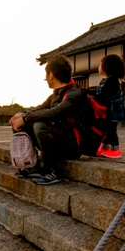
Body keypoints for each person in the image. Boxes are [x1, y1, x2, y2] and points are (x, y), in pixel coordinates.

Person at [9, 54, 91, 185]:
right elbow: (39, 109)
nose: (46, 79)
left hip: (73, 147)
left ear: (51, 75)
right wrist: (21, 115)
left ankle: (51, 170)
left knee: (40, 125)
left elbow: (55, 113)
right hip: (60, 141)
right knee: (21, 124)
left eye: (46, 76)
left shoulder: (75, 94)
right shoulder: (55, 95)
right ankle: (34, 164)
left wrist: (26, 117)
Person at [92, 54, 125, 158]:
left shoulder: (113, 80)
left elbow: (105, 94)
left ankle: (115, 149)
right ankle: (105, 147)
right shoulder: (105, 80)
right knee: (105, 130)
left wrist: (93, 95)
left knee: (111, 131)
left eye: (101, 64)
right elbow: (98, 92)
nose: (99, 66)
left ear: (107, 66)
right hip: (107, 111)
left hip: (112, 111)